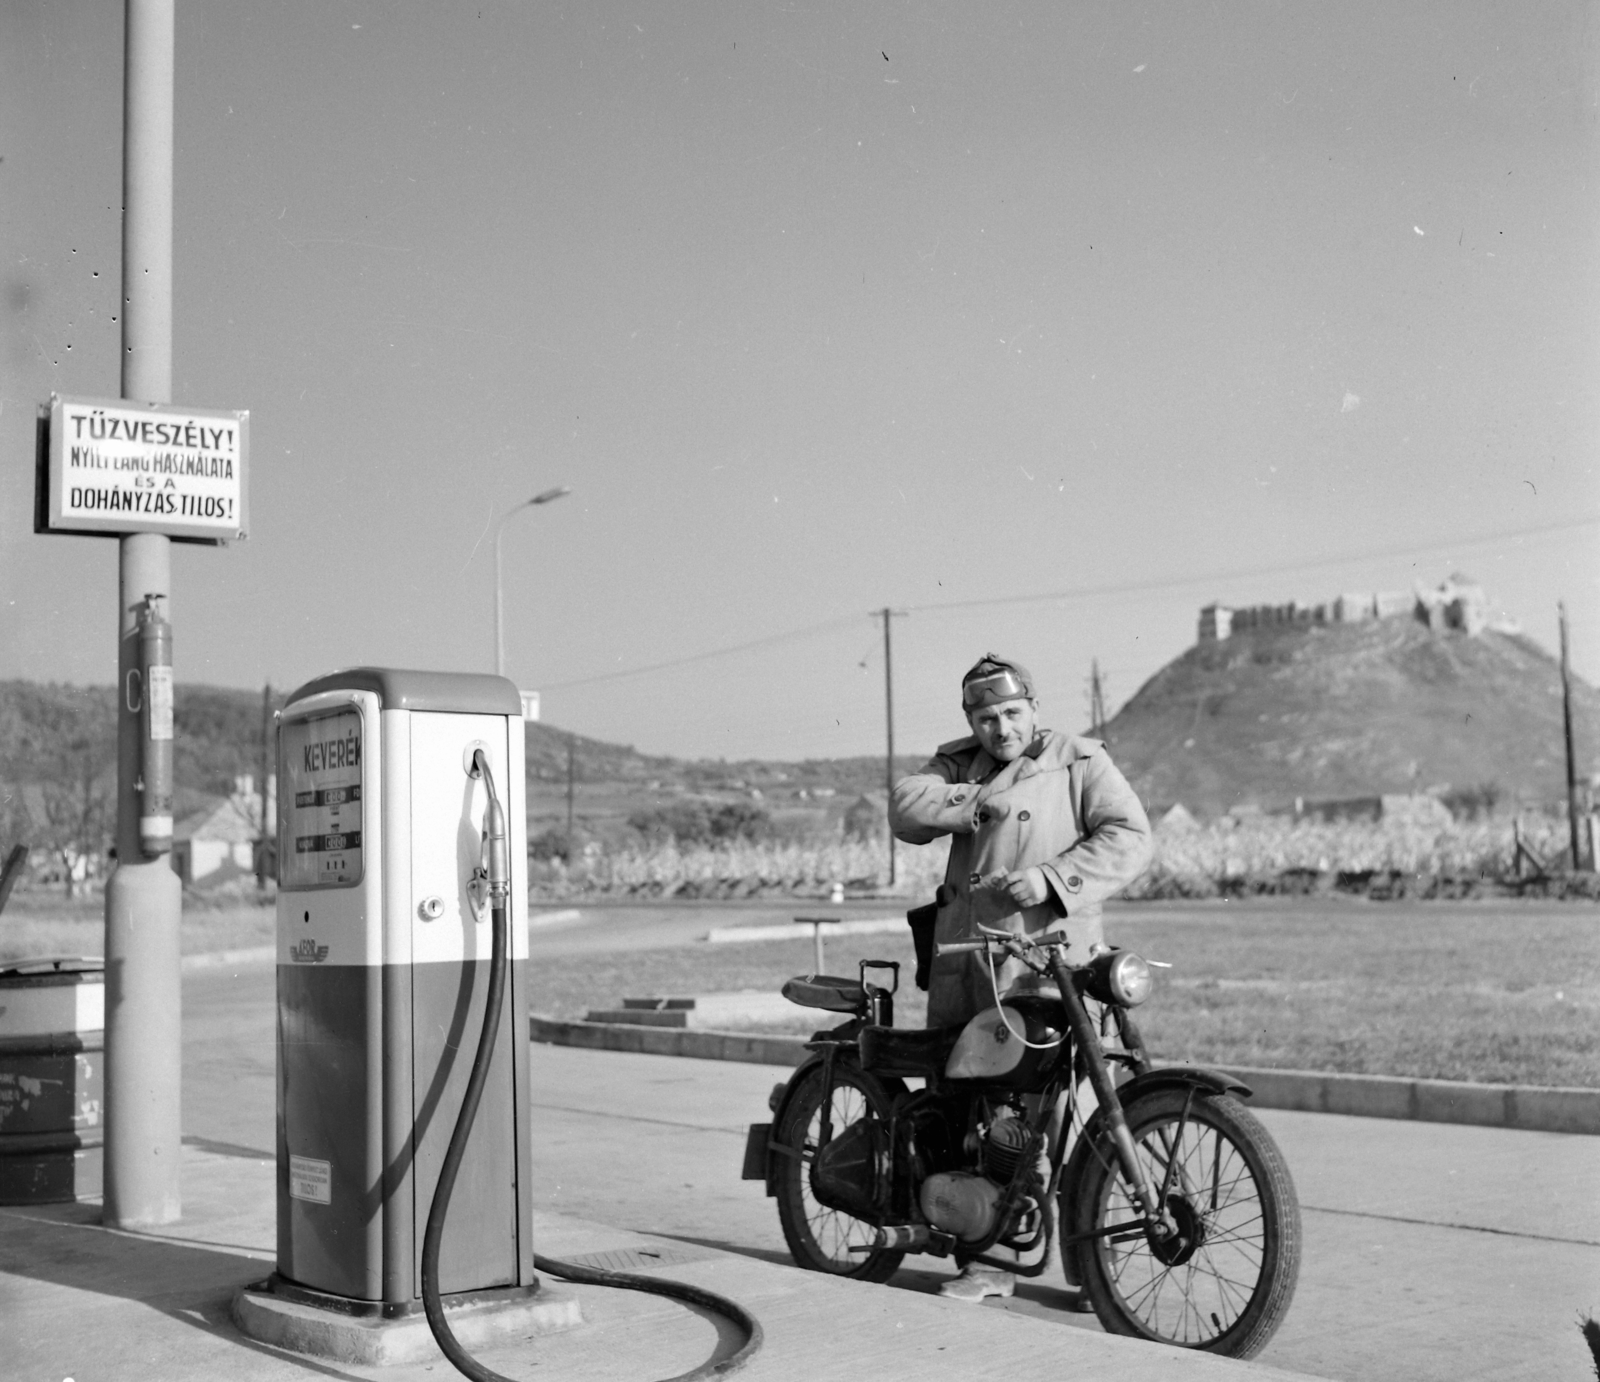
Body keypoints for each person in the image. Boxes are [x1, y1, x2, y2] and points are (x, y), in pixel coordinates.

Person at [889, 653, 1153, 1302]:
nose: (1000, 728)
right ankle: (989, 1260)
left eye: (1011, 713)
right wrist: (978, 798)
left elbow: (1130, 835)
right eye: (985, 717)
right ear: (970, 720)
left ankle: (1096, 1269)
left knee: (1065, 1115)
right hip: (965, 962)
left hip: (1052, 962)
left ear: (1033, 707)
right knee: (977, 1117)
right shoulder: (957, 765)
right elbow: (905, 808)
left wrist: (1049, 879)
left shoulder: (1080, 759)